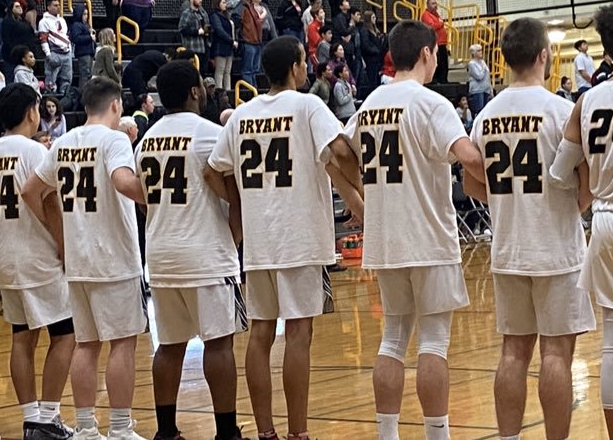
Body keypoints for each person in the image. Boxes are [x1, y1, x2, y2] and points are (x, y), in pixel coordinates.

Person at [206, 37, 363, 440]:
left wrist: (242, 200)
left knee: (260, 334)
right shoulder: (308, 105)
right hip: (300, 238)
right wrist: (362, 180)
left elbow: (213, 170)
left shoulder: (241, 115)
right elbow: (342, 153)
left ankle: (265, 432)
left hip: (259, 242)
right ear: (295, 67)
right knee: (298, 334)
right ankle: (298, 433)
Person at [344, 21, 485, 440]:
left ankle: (388, 435)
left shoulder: (368, 104)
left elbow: (338, 152)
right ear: (426, 53)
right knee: (434, 342)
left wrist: (358, 202)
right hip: (428, 238)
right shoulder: (431, 103)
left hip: (386, 240)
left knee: (392, 339)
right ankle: (436, 435)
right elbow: (468, 159)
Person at [459, 17, 598, 440]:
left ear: (503, 60)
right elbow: (588, 182)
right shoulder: (560, 110)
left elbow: (470, 183)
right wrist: (568, 207)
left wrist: (508, 203)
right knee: (556, 352)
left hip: (508, 250)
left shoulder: (486, 115)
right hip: (556, 250)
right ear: (544, 56)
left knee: (513, 352)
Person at [21, 78, 150, 440]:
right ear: (115, 106)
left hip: (77, 259)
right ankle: (121, 428)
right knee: (123, 342)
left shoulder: (64, 142)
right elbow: (124, 183)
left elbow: (31, 190)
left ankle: (86, 428)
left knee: (86, 344)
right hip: (114, 258)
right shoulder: (114, 140)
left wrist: (58, 235)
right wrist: (158, 200)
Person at [138, 61, 244, 440]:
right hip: (203, 251)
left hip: (161, 251)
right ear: (195, 91)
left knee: (168, 346)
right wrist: (236, 231)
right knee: (218, 345)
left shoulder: (146, 140)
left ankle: (166, 431)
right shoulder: (209, 134)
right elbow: (234, 190)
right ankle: (226, 432)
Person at [0, 84, 77, 440]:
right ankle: (48, 417)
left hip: (3, 254)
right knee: (66, 335)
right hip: (37, 254)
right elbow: (47, 201)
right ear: (31, 112)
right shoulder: (34, 152)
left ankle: (30, 416)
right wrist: (65, 247)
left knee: (23, 336)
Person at [238, 0, 275, 86]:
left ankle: (254, 89)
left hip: (256, 41)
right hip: (248, 41)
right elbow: (237, 22)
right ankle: (249, 91)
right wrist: (242, 37)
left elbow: (257, 21)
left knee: (255, 69)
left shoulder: (251, 7)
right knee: (248, 69)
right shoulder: (241, 7)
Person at [40, 0, 74, 96]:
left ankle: (65, 95)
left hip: (66, 52)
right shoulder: (44, 21)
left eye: (59, 5)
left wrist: (70, 50)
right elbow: (43, 39)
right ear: (48, 7)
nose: (58, 7)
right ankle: (51, 97)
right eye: (55, 5)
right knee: (51, 78)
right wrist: (48, 54)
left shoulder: (62, 20)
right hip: (54, 52)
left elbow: (66, 35)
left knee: (67, 78)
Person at [209, 0, 237, 91]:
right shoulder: (215, 16)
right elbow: (219, 30)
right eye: (223, 2)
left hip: (229, 47)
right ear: (218, 4)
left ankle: (228, 91)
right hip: (220, 46)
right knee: (220, 70)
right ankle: (219, 91)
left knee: (227, 71)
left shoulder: (227, 15)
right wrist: (231, 40)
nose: (225, 4)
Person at [179, 0, 209, 66]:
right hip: (192, 47)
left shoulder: (203, 13)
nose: (201, 0)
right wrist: (196, 32)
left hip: (204, 47)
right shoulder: (186, 13)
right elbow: (182, 29)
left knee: (203, 70)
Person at [71, 3, 95, 88]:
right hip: (83, 53)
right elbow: (76, 38)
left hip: (88, 52)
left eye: (87, 14)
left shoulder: (86, 25)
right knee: (85, 74)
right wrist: (89, 37)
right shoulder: (76, 25)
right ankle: (83, 93)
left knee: (88, 74)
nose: (86, 16)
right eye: (84, 14)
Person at [467, 45, 490, 116]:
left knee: (486, 111)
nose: (481, 52)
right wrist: (483, 68)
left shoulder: (483, 62)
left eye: (481, 50)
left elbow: (487, 76)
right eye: (479, 51)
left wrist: (490, 90)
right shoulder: (471, 64)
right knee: (479, 111)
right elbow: (479, 76)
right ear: (474, 53)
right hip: (477, 90)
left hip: (486, 89)